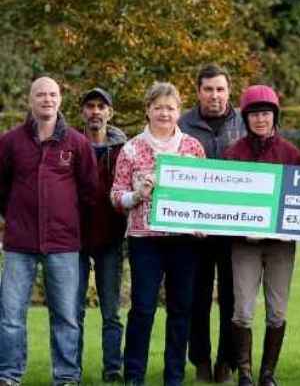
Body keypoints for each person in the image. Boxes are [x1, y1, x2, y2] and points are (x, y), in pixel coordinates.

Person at [0, 77, 98, 386]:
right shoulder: (10, 142)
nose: (47, 99)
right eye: (41, 94)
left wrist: (67, 219)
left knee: (67, 316)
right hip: (20, 242)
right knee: (11, 316)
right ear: (30, 101)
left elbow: (89, 192)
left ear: (60, 99)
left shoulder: (77, 143)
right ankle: (9, 375)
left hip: (63, 244)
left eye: (53, 94)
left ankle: (67, 376)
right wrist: (15, 216)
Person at [111, 82, 206, 386]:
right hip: (144, 241)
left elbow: (206, 195)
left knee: (181, 310)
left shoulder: (193, 147)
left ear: (179, 111)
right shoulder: (131, 148)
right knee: (142, 308)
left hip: (184, 241)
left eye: (170, 107)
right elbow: (115, 195)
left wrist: (204, 222)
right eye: (158, 107)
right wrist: (135, 196)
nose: (164, 113)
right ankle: (134, 375)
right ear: (148, 110)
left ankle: (174, 376)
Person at [224, 85, 300, 386]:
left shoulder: (291, 154)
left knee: (277, 310)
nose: (261, 119)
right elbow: (224, 202)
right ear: (246, 118)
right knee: (243, 309)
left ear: (275, 116)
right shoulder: (234, 154)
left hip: (281, 246)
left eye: (266, 114)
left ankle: (267, 373)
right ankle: (244, 371)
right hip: (245, 245)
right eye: (255, 114)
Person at [179, 64, 245, 383]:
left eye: (220, 89)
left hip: (235, 230)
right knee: (198, 297)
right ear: (198, 92)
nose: (215, 95)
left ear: (229, 91)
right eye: (208, 89)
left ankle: (227, 362)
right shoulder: (182, 125)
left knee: (233, 298)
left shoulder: (245, 122)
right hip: (195, 231)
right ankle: (201, 360)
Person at [77, 88, 127, 383]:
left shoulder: (123, 150)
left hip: (110, 239)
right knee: (74, 312)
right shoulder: (69, 145)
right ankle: (72, 368)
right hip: (75, 240)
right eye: (90, 106)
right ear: (83, 112)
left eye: (101, 106)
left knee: (111, 312)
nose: (95, 111)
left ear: (110, 112)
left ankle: (113, 368)